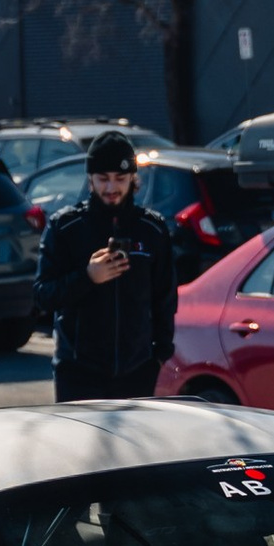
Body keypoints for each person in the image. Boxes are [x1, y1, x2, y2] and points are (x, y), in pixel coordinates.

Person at [34, 134, 179, 401]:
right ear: (90, 179)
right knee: (79, 444)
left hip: (137, 371)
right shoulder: (65, 227)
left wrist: (159, 355)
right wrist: (88, 277)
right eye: (103, 178)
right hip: (79, 372)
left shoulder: (152, 229)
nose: (111, 187)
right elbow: (43, 295)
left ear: (133, 180)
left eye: (120, 179)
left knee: (134, 443)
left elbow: (165, 299)